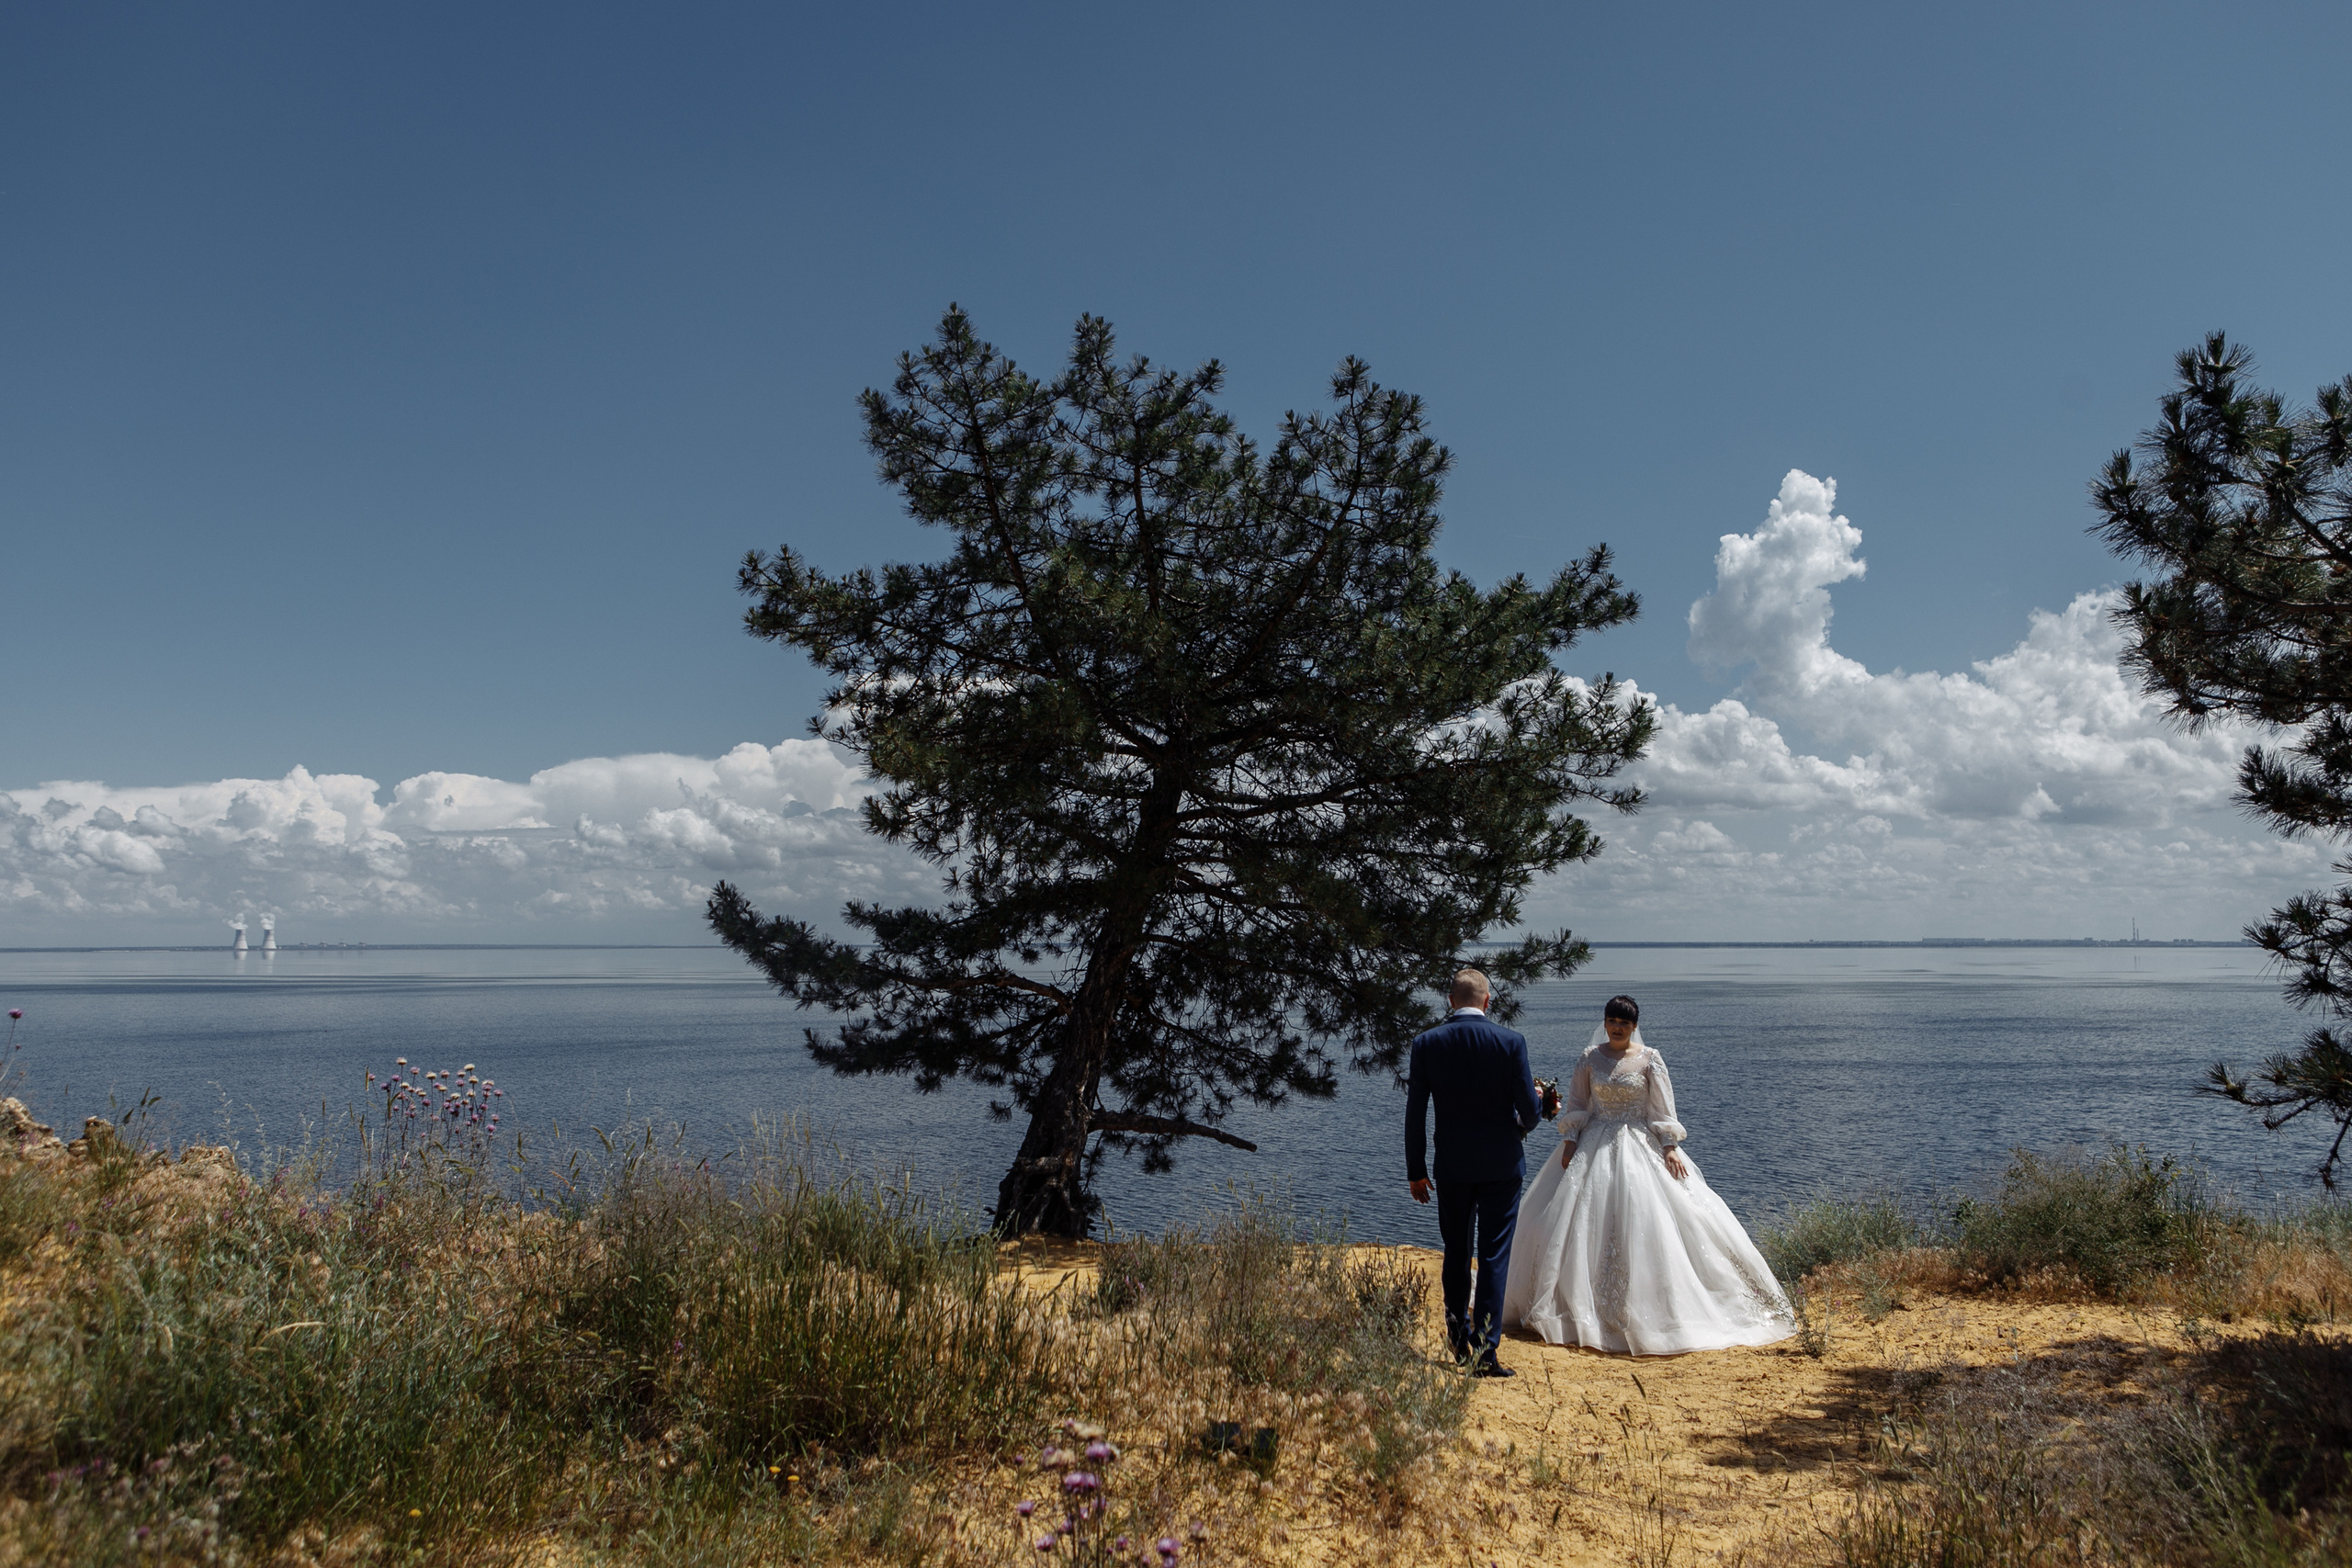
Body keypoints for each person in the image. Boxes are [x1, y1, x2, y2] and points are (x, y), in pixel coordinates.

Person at [1500, 994, 1792, 1356]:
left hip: (1639, 1143)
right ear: (1604, 1022)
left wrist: (1669, 1146)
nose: (1617, 1027)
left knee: (1656, 1218)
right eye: (1612, 1020)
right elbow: (1577, 1103)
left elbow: (1662, 1108)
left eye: (1624, 1022)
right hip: (1593, 1143)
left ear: (1634, 1026)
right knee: (1572, 1221)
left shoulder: (1650, 1059)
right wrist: (1571, 1140)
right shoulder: (1590, 1058)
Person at [1404, 966, 1541, 1377]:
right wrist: (1527, 1116)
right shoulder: (1510, 1042)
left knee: (1457, 1253)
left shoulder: (1426, 1043)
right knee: (1494, 1256)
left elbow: (1416, 1113)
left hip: (1452, 1166)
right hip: (1501, 1164)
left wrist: (1416, 1170)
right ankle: (1484, 1353)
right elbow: (1531, 1114)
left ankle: (1457, 1337)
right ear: (1487, 1001)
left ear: (1450, 1001)